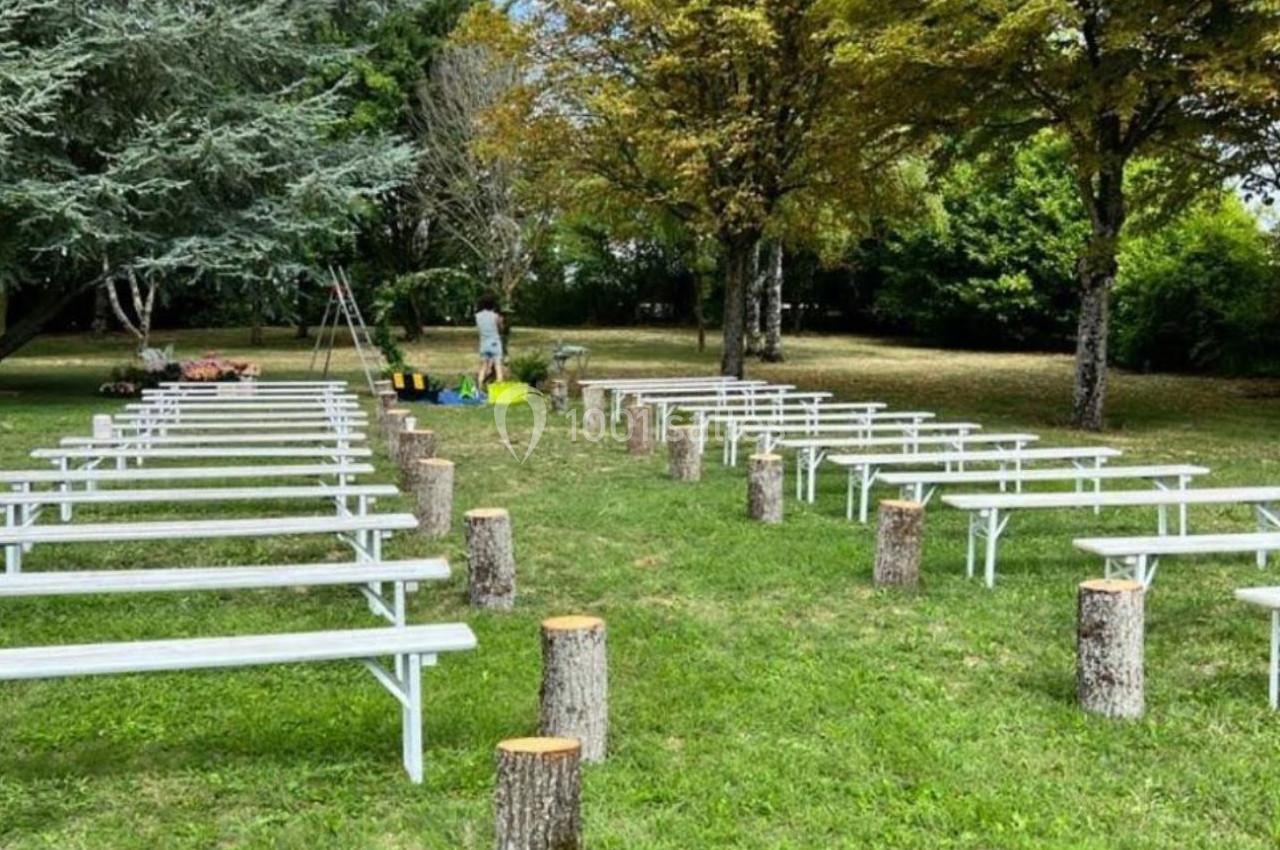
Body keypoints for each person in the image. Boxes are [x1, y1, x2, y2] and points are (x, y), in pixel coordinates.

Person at [474, 292, 505, 391]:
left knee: (483, 367)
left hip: (484, 344)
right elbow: (501, 328)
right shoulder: (495, 316)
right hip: (495, 343)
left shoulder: (477, 316)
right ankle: (499, 390)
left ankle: (479, 388)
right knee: (498, 367)